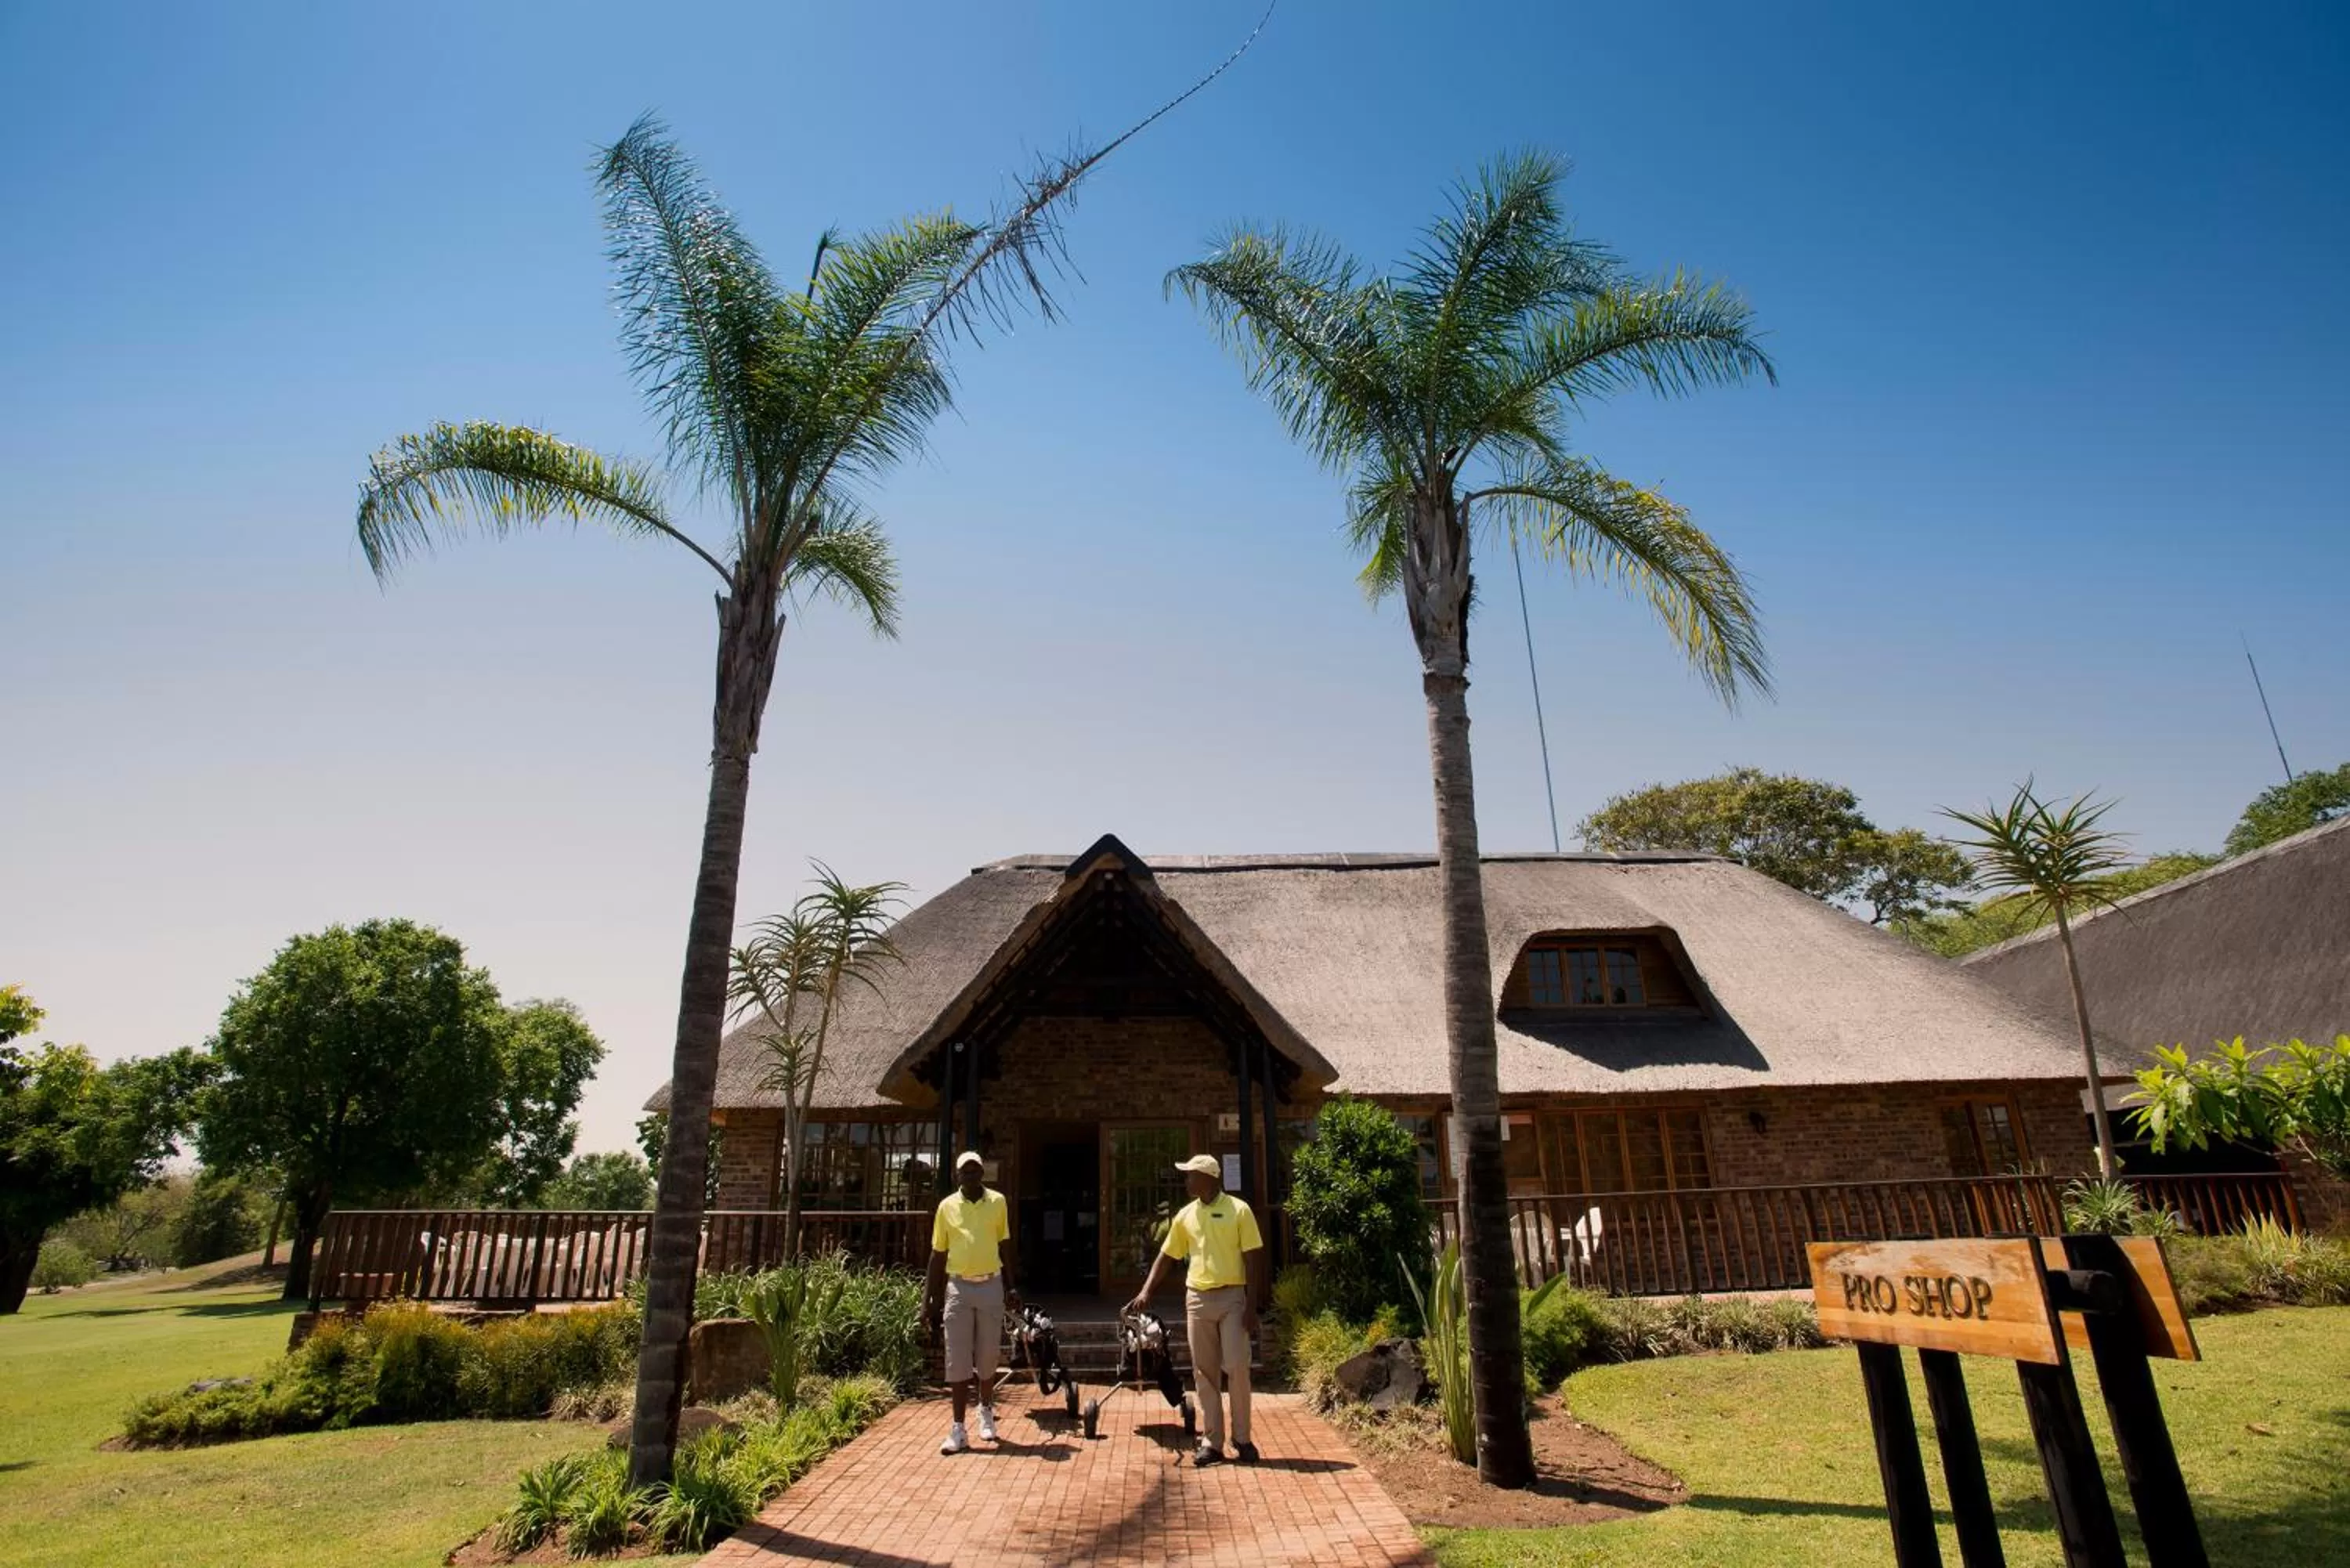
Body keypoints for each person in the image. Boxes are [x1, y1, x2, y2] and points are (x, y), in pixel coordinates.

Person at [1125, 1152, 1267, 1467]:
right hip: (1197, 1299)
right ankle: (1212, 1441)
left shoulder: (1239, 1210)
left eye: (1191, 1174)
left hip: (1232, 1298)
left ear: (1209, 1178)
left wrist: (1252, 1306)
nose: (1186, 1179)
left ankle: (1242, 1439)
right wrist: (1147, 1290)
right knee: (1204, 1372)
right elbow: (1166, 1256)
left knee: (1237, 1366)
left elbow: (1253, 1258)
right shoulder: (1185, 1215)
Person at [924, 1151, 1018, 1455]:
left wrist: (1012, 1286)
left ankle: (986, 1409)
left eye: (975, 1171)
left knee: (989, 1354)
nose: (971, 1176)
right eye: (966, 1171)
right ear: (957, 1175)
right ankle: (958, 1427)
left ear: (982, 1174)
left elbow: (1005, 1246)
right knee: (957, 1358)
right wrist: (929, 1301)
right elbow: (937, 1255)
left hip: (990, 1284)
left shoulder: (998, 1203)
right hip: (958, 1288)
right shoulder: (946, 1207)